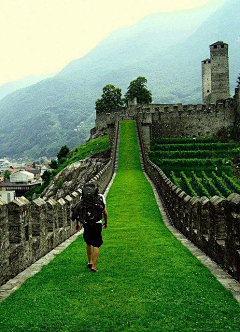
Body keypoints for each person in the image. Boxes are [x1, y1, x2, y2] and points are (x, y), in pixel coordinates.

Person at [75, 182, 108, 272]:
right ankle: (93, 266)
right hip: (97, 222)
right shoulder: (100, 197)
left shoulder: (83, 197)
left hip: (87, 222)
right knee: (96, 244)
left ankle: (89, 261)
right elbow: (105, 212)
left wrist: (77, 224)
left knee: (88, 242)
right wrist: (106, 222)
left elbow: (79, 210)